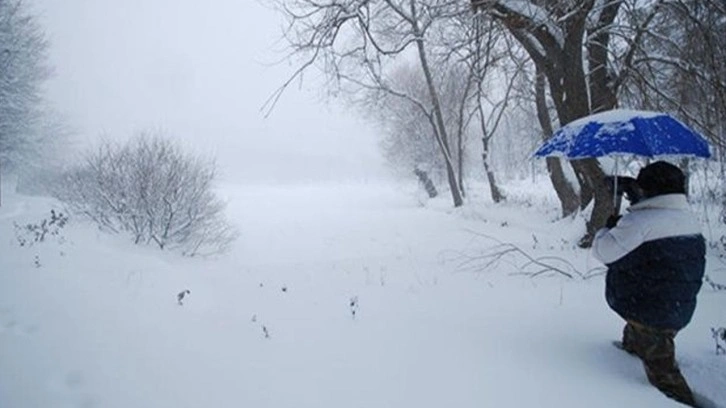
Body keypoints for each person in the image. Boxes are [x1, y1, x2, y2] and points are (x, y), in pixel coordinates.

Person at [592, 161, 706, 407]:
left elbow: (604, 252)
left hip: (650, 310)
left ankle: (681, 401)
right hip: (678, 305)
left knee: (664, 377)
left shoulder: (642, 223)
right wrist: (634, 199)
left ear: (649, 189)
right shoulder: (687, 217)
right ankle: (631, 350)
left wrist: (608, 229)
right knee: (639, 338)